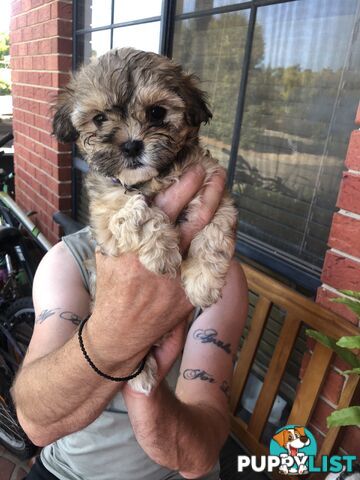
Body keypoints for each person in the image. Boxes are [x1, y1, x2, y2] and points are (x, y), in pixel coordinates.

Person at [12, 166, 248, 480]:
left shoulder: (216, 272)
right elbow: (36, 423)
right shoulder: (67, 260)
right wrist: (120, 335)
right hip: (67, 472)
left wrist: (144, 392)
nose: (133, 142)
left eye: (157, 115)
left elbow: (198, 459)